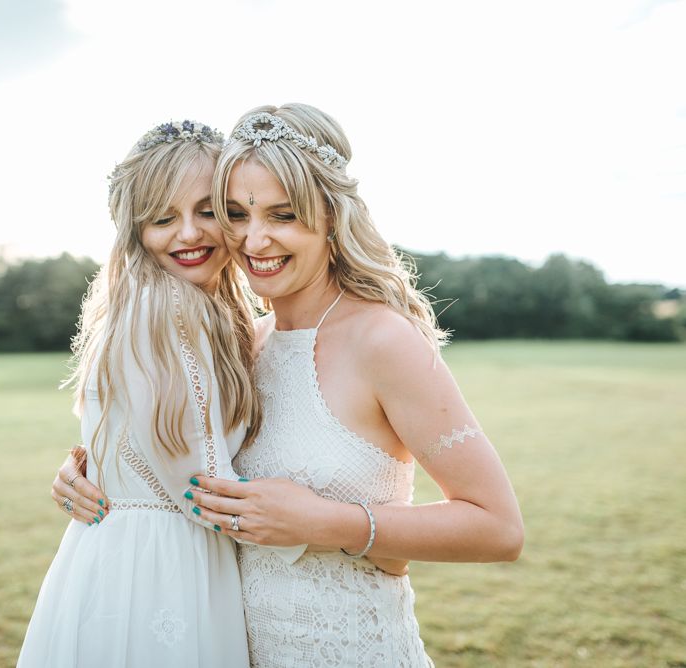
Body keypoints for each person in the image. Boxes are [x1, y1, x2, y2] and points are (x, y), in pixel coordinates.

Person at [56, 104, 524, 667]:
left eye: (283, 215)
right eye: (235, 213)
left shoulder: (381, 340)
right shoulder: (240, 345)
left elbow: (498, 528)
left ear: (332, 216)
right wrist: (97, 473)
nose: (255, 240)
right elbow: (184, 470)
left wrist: (331, 523)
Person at [18, 120, 303, 667]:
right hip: (161, 566)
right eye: (163, 218)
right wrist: (323, 539)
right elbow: (200, 480)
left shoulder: (196, 309)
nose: (189, 233)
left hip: (130, 551)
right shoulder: (164, 309)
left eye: (206, 211)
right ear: (134, 230)